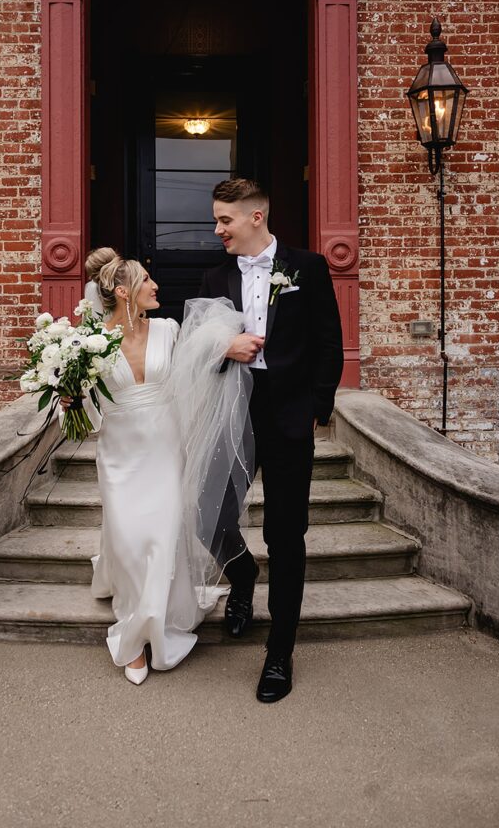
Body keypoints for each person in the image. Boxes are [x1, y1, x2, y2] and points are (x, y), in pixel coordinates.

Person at [199, 178, 344, 703]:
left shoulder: (308, 267)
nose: (217, 230)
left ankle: (279, 652)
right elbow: (198, 349)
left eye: (225, 220)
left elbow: (330, 342)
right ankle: (241, 579)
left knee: (286, 537)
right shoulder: (215, 274)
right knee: (206, 516)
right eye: (217, 220)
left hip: (288, 419)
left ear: (256, 217)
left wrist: (316, 409)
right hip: (232, 414)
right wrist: (224, 346)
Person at [81, 248, 252, 685]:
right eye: (145, 282)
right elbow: (83, 411)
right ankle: (135, 623)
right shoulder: (88, 343)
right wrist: (68, 400)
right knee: (130, 537)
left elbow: (196, 364)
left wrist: (224, 345)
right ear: (123, 292)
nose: (157, 287)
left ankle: (145, 631)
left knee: (160, 536)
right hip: (120, 452)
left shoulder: (169, 329)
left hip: (164, 446)